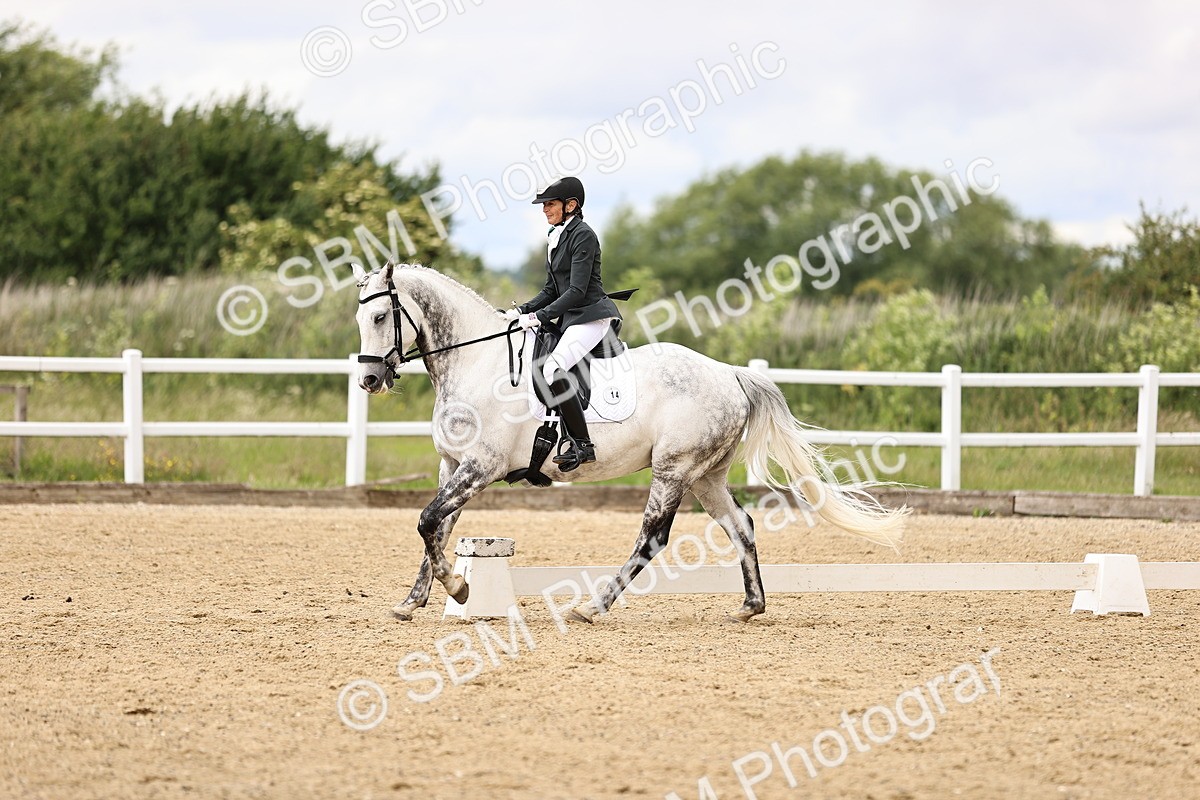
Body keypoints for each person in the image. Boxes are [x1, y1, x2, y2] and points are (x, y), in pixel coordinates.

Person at [504, 176, 620, 471]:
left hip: (591, 316)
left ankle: (583, 444)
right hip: (572, 317)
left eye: (550, 204)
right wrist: (520, 311)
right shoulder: (556, 236)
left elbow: (576, 291)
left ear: (571, 205)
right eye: (544, 205)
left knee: (552, 368)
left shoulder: (583, 235)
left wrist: (539, 317)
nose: (544, 210)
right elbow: (551, 290)